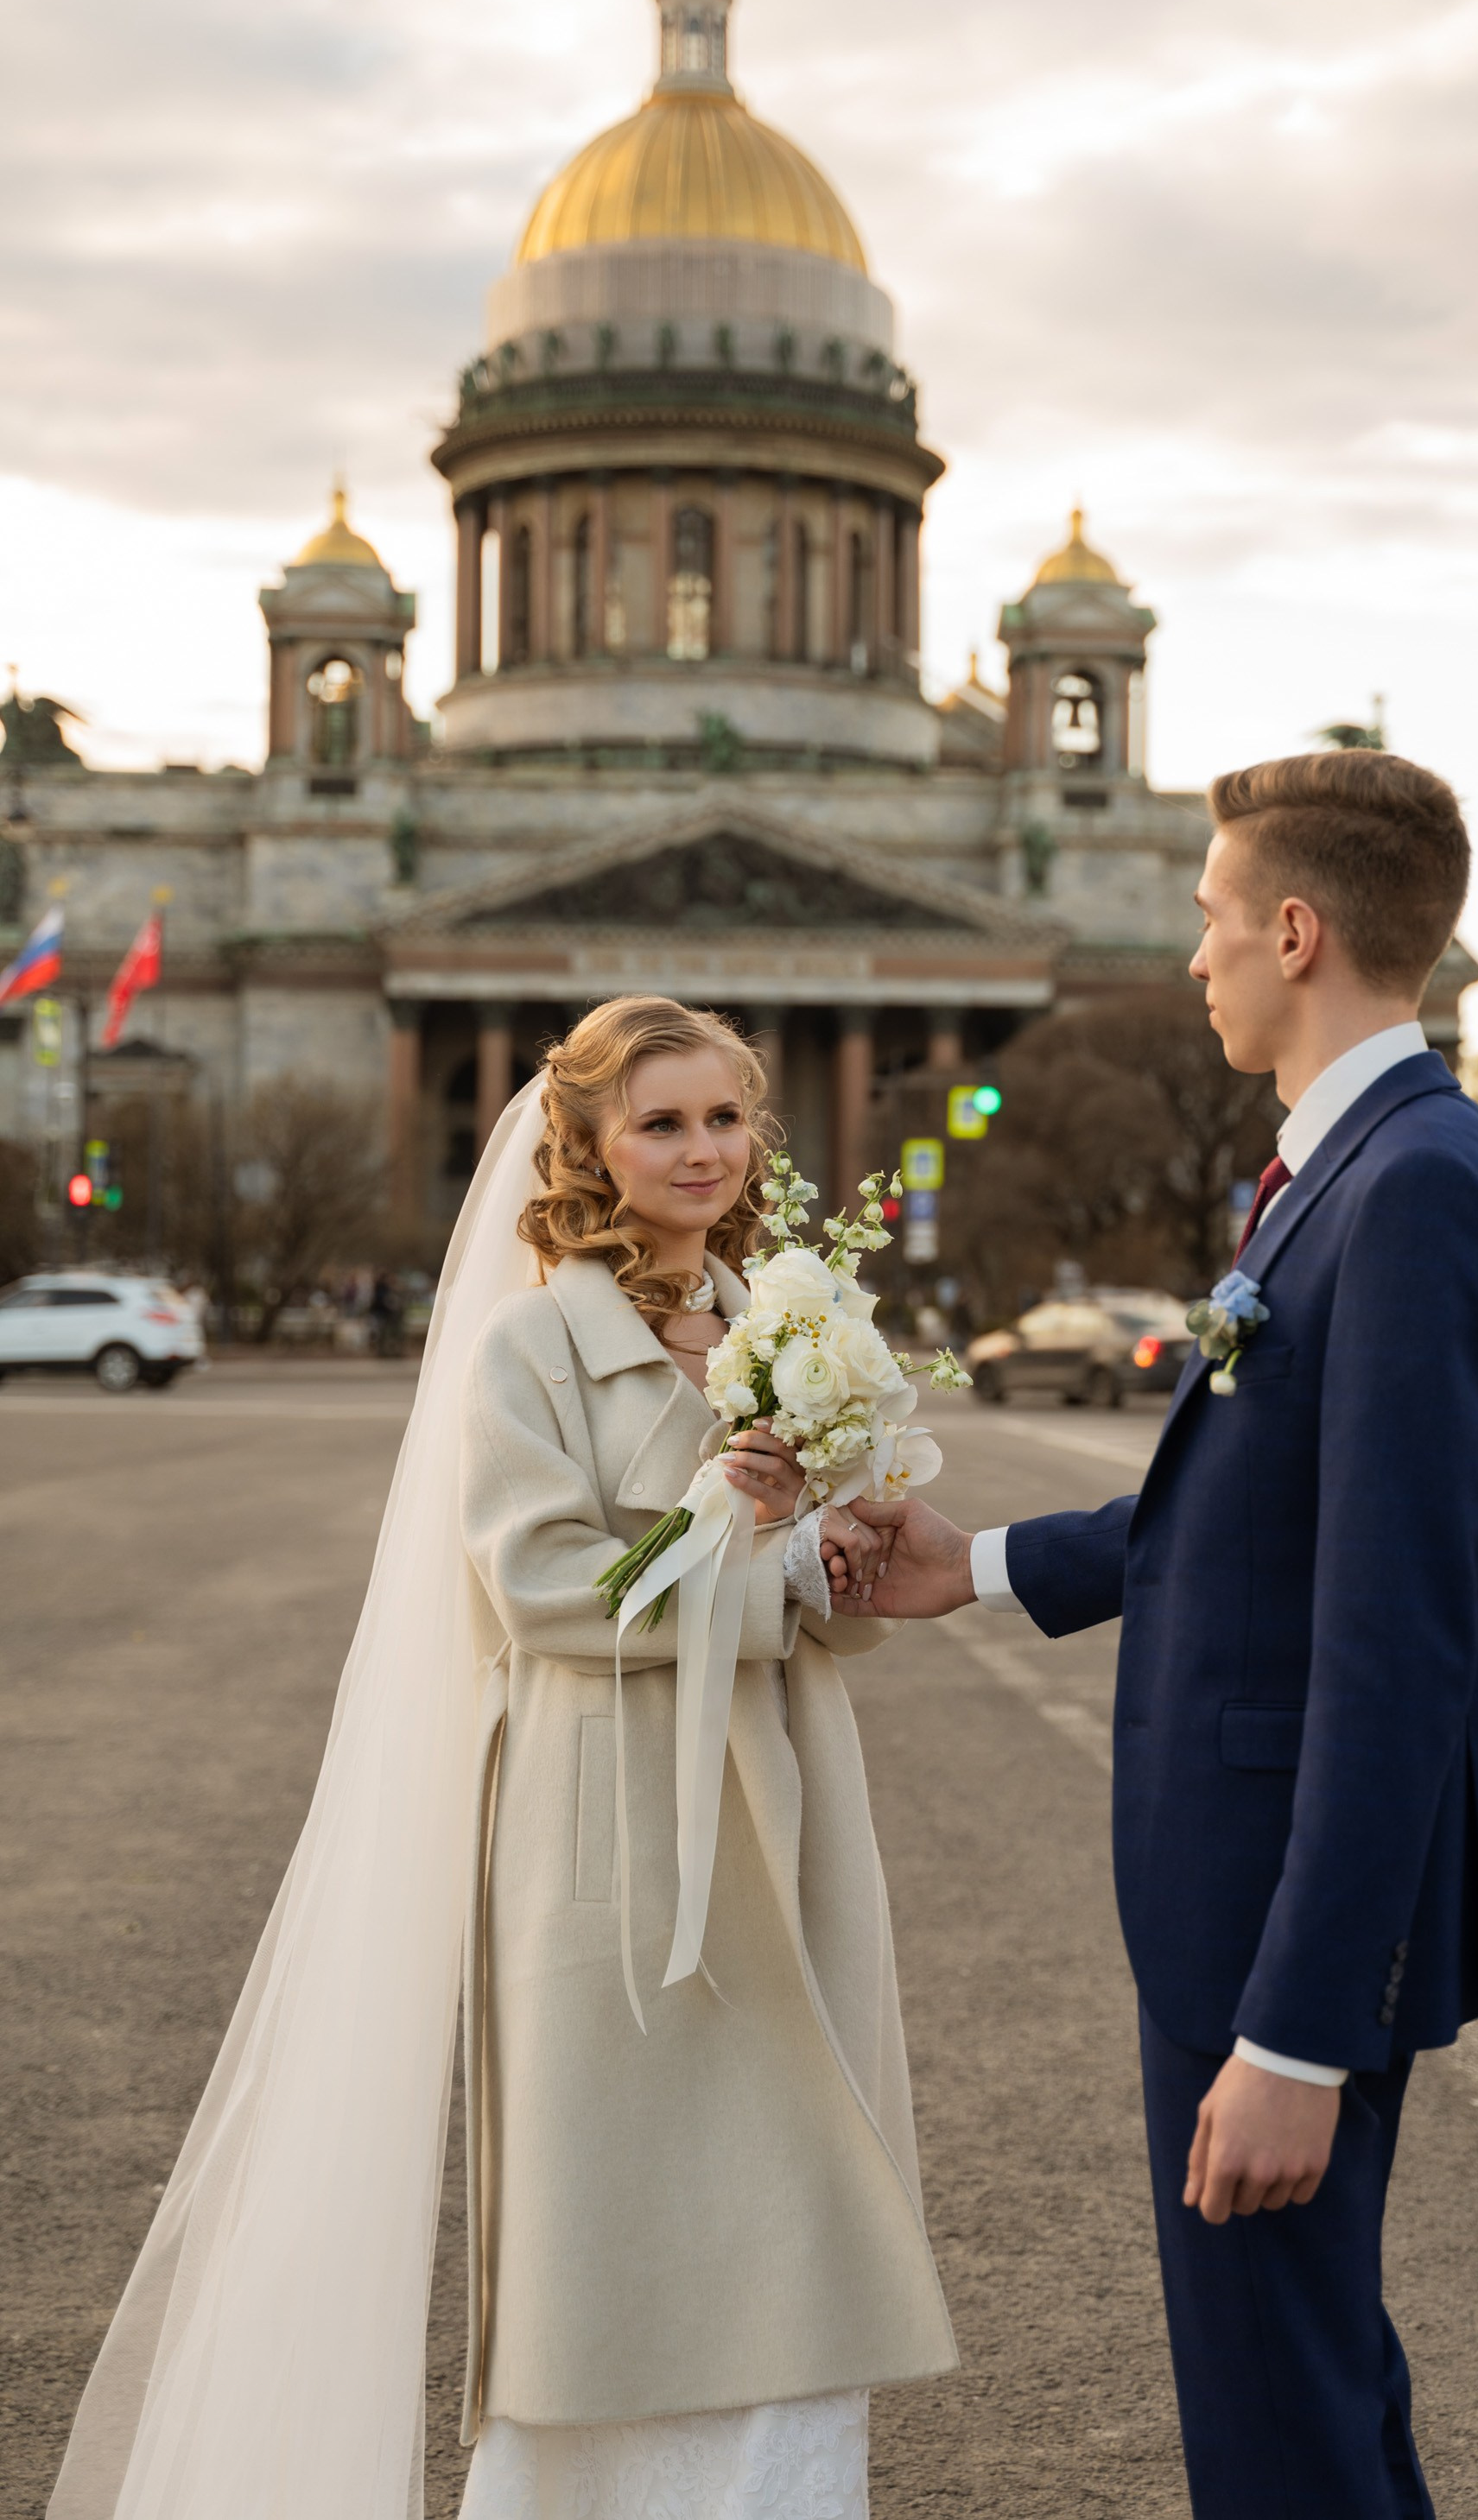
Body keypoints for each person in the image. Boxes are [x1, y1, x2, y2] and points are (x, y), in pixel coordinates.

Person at [48, 994, 953, 2520]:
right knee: (614, 2222)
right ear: (588, 1144)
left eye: (726, 1117)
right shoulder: (528, 1347)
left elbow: (824, 1615)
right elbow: (537, 1587)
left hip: (788, 1786)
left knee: (805, 2183)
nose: (704, 1150)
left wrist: (839, 1559)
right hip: (608, 1811)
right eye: (661, 1122)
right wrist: (740, 1543)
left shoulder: (794, 1327)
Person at [827, 750, 1478, 2518]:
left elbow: (1394, 1643)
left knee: (1274, 2427)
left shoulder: (1413, 1189)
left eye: (1212, 919)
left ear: (1295, 932)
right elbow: (1257, 1530)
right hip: (1239, 1901)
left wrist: (1301, 2032)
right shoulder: (1357, 1168)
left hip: (1278, 1930)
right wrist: (982, 1562)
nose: (1192, 958)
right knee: (1306, 2386)